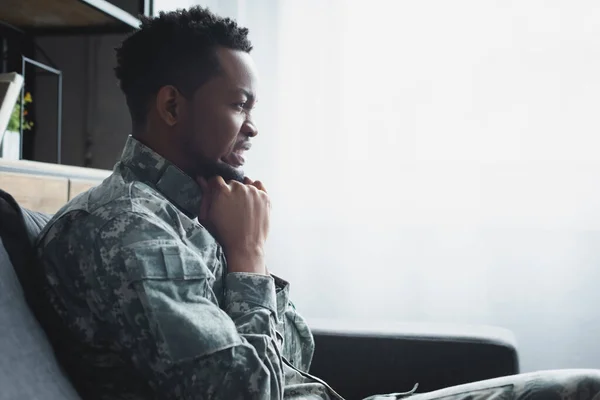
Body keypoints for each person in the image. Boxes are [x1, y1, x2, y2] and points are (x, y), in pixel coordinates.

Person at [36, 6, 600, 400]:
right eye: (239, 105)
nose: (252, 128)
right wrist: (249, 258)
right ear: (171, 105)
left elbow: (295, 355)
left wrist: (240, 254)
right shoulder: (126, 229)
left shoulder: (197, 211)